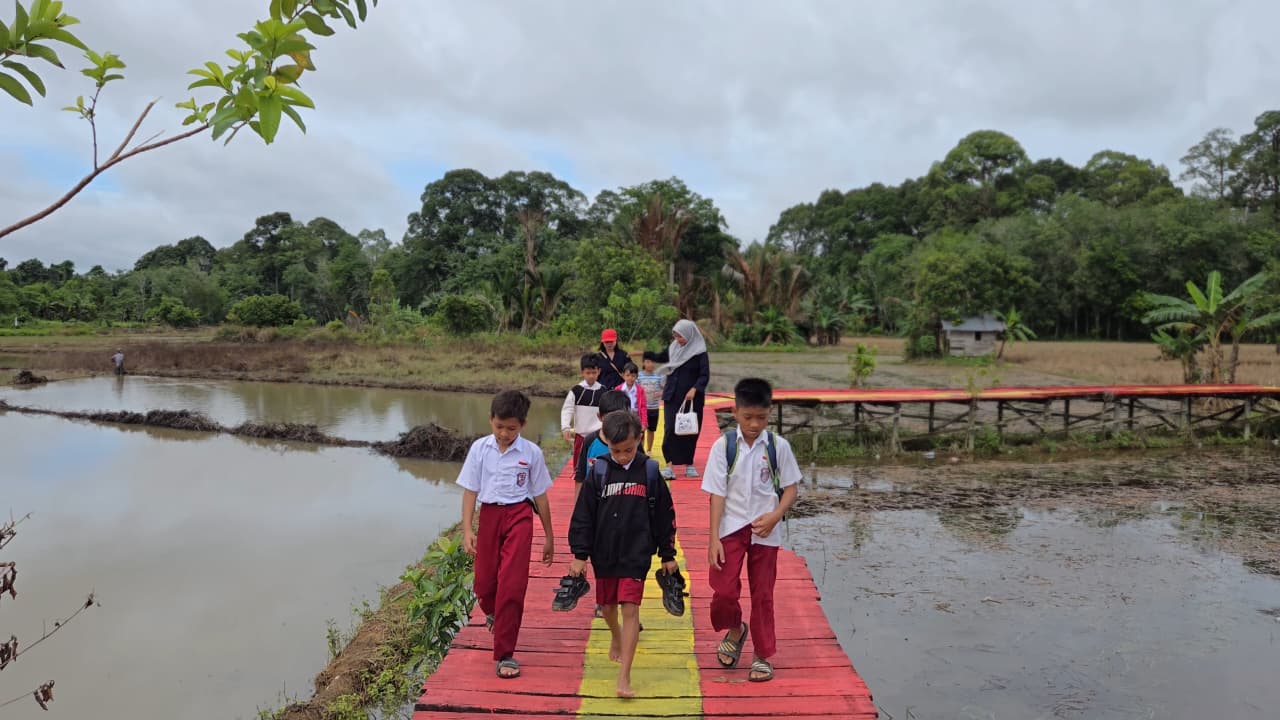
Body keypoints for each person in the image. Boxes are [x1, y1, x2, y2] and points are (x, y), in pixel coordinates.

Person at [568, 410, 678, 698]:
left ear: (639, 439)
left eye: (628, 450)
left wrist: (668, 553)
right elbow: (583, 515)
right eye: (616, 451)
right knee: (607, 608)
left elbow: (665, 517)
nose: (622, 456)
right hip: (603, 553)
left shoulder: (650, 472)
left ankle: (624, 676)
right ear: (607, 444)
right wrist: (580, 554)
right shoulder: (599, 471)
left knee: (630, 609)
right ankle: (615, 635)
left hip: (636, 553)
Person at [701, 378, 800, 684]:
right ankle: (735, 628)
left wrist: (776, 516)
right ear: (735, 412)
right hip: (731, 527)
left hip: (765, 532)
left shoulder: (778, 447)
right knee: (724, 590)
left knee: (763, 594)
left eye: (761, 417)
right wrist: (713, 538)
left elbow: (791, 489)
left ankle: (762, 654)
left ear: (769, 413)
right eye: (748, 417)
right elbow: (716, 493)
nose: (754, 424)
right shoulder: (724, 447)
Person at [457, 389, 555, 680]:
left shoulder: (531, 454)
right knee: (484, 584)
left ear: (522, 425)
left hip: (519, 517)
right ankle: (493, 613)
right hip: (489, 516)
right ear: (490, 421)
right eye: (499, 426)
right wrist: (466, 529)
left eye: (511, 428)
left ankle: (505, 654)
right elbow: (470, 491)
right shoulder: (479, 449)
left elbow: (541, 497)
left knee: (512, 585)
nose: (504, 433)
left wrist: (549, 537)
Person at [650, 319, 710, 479]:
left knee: (690, 430)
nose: (678, 340)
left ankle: (689, 464)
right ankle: (669, 465)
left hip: (692, 399)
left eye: (681, 336)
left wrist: (695, 389)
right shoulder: (673, 348)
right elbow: (668, 368)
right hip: (672, 395)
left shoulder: (700, 353)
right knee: (670, 429)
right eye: (676, 336)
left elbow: (704, 375)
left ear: (689, 334)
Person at [561, 354, 605, 475]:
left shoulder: (603, 391)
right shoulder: (576, 391)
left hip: (598, 437)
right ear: (582, 372)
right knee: (579, 468)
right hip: (580, 437)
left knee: (596, 466)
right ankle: (579, 491)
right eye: (588, 372)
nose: (591, 375)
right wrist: (565, 427)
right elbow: (567, 409)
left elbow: (608, 413)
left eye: (594, 372)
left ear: (599, 371)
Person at [636, 352, 665, 454]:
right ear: (643, 363)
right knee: (641, 430)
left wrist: (661, 392)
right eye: (648, 362)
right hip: (642, 408)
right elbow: (635, 389)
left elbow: (664, 388)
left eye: (653, 362)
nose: (650, 364)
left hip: (654, 408)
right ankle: (641, 450)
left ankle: (649, 450)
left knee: (651, 430)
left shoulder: (659, 376)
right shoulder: (639, 376)